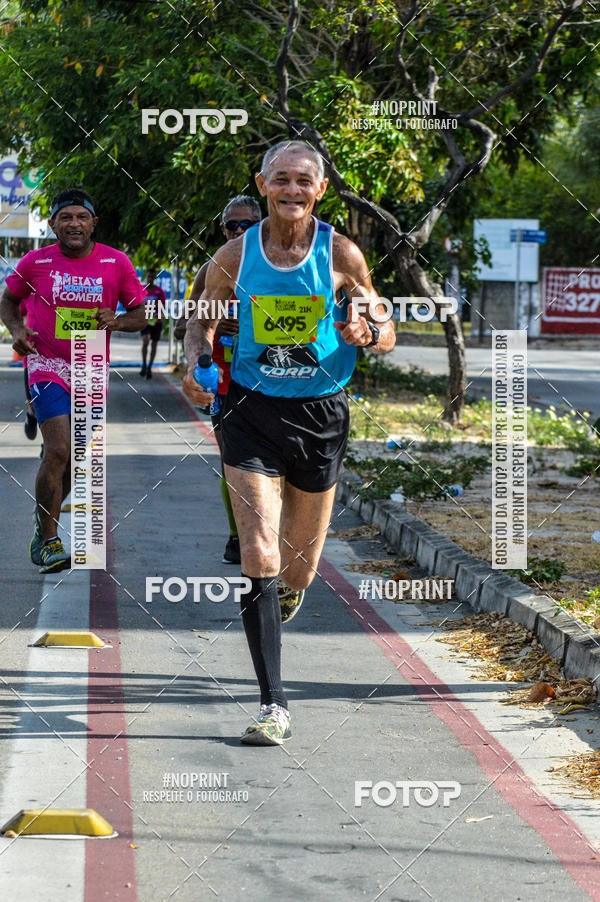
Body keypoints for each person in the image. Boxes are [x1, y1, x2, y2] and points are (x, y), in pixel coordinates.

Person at [183, 141, 395, 745]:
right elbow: (202, 320)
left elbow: (381, 321)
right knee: (259, 553)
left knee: (299, 567)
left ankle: (289, 592)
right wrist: (196, 359)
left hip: (321, 412)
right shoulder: (234, 256)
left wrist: (368, 326)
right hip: (249, 409)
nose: (292, 190)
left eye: (304, 181)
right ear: (263, 183)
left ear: (320, 189)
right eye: (281, 180)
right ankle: (273, 704)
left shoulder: (341, 252)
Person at [0, 187, 146, 573]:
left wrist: (118, 320)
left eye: (81, 216)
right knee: (59, 449)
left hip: (91, 363)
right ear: (53, 225)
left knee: (76, 461)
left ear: (94, 222)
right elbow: (7, 301)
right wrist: (16, 329)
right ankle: (49, 540)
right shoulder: (35, 262)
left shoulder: (116, 263)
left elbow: (143, 314)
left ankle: (41, 521)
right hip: (47, 363)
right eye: (66, 217)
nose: (74, 224)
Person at [179, 195, 261, 565]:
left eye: (248, 225)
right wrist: (211, 330)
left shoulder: (278, 266)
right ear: (223, 229)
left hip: (271, 376)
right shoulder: (212, 268)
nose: (239, 232)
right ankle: (237, 536)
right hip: (224, 379)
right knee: (233, 458)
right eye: (233, 225)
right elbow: (185, 324)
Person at [140, 268, 166, 379]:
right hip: (145, 321)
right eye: (149, 277)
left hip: (156, 321)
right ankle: (144, 365)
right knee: (145, 341)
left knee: (154, 344)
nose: (150, 279)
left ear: (155, 278)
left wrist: (157, 313)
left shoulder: (159, 291)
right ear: (146, 277)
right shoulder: (141, 289)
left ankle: (150, 367)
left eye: (152, 277)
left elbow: (163, 307)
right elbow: (136, 304)